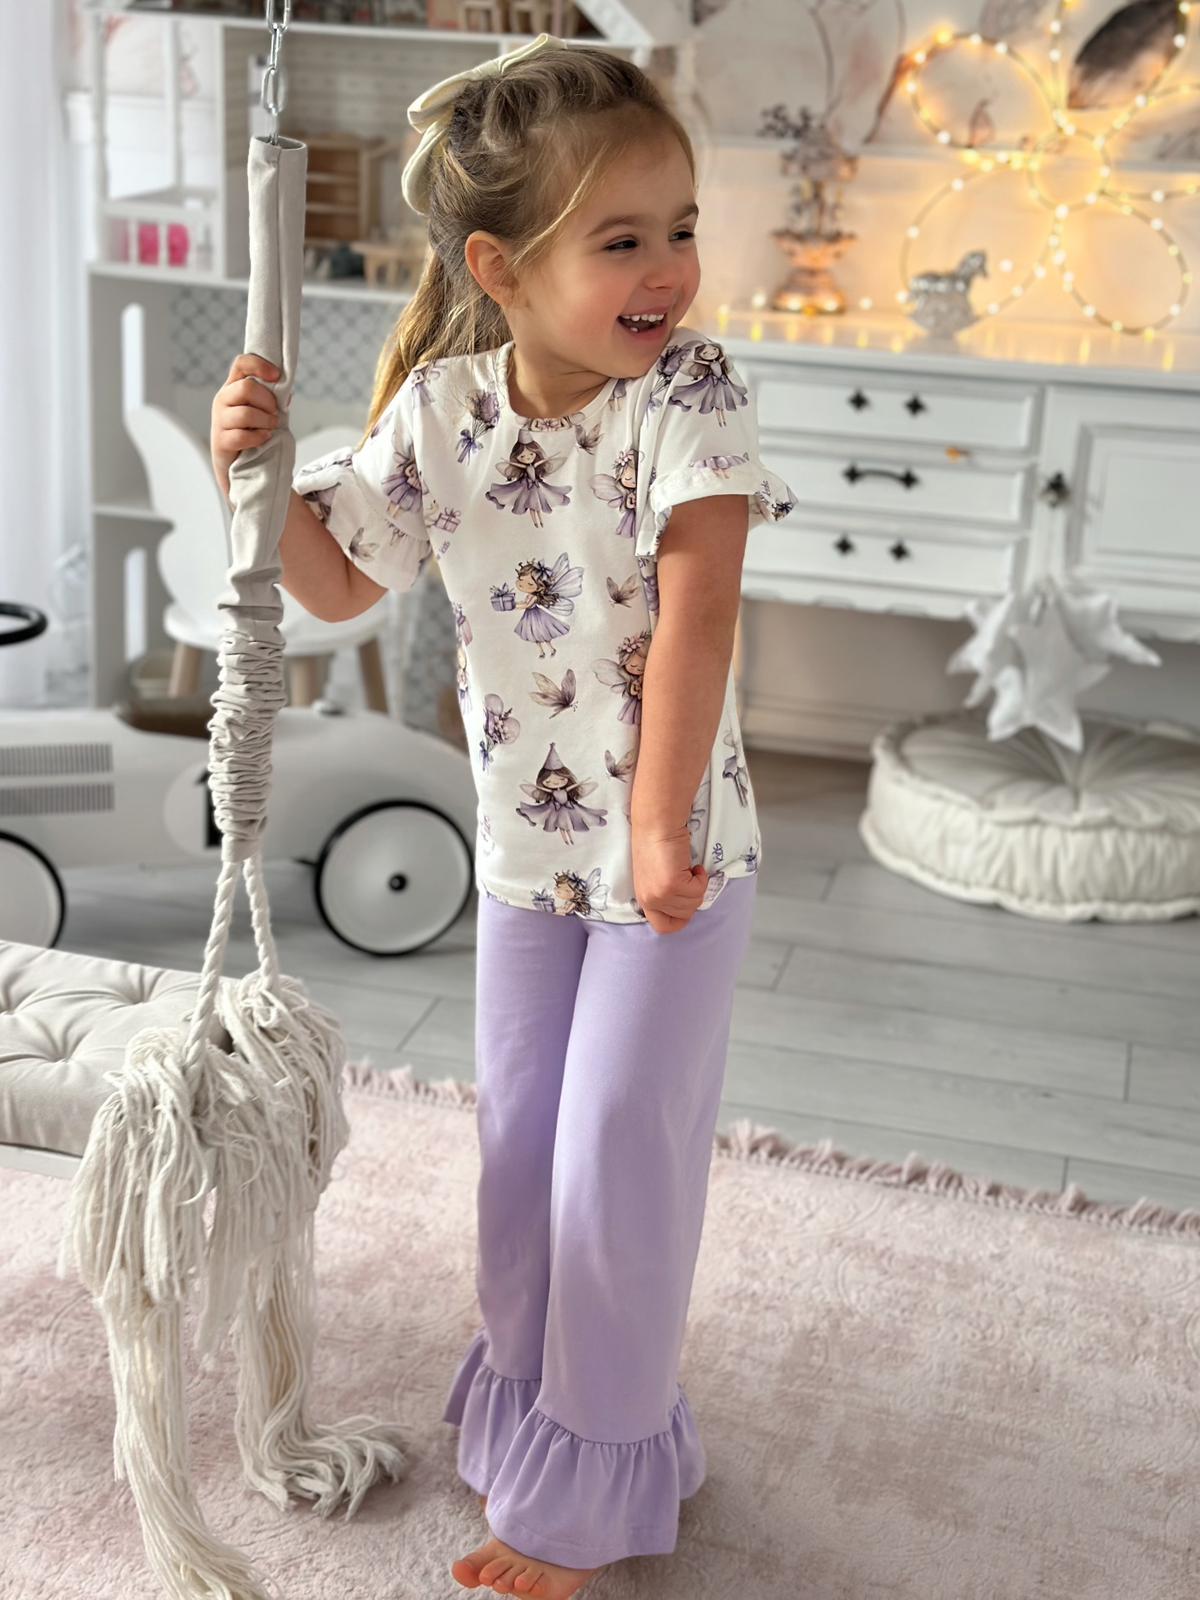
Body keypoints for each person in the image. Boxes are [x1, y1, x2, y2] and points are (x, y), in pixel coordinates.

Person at [210, 32, 796, 1600]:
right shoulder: (443, 409)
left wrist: (658, 830)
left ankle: (585, 1497)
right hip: (532, 866)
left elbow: (701, 622)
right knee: (523, 1150)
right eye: (624, 240)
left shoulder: (691, 395)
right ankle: (538, 1417)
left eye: (681, 229)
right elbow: (341, 583)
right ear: (502, 268)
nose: (669, 269)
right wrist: (254, 472)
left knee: (614, 1157)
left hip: (674, 864)